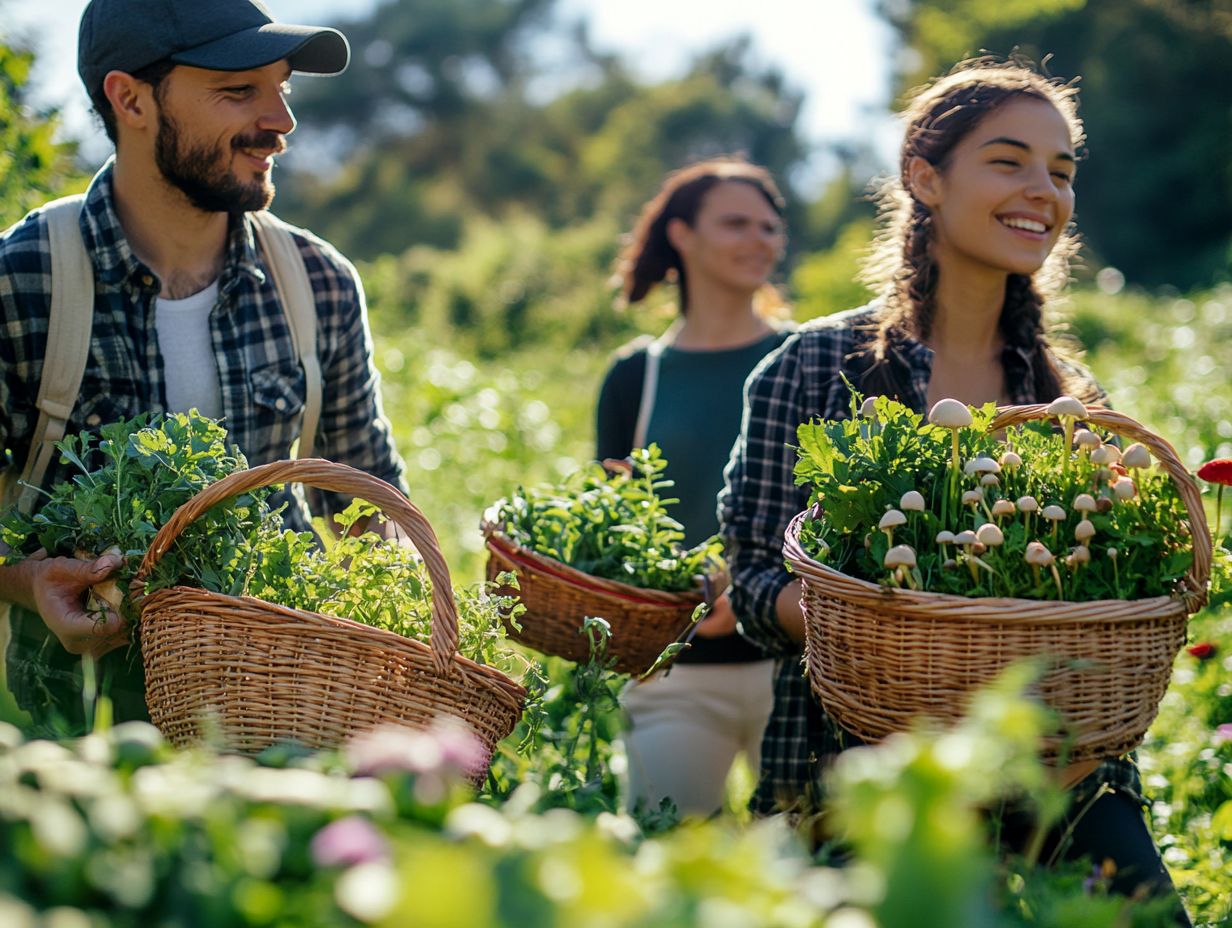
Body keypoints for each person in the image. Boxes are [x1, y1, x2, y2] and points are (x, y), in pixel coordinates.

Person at [718, 58, 1191, 920]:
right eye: (1008, 161)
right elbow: (752, 583)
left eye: (1061, 171)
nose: (1041, 190)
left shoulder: (1070, 400)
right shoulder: (816, 368)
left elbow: (1120, 596)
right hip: (859, 774)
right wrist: (885, 624)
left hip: (1062, 775)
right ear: (924, 178)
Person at [0, 0, 407, 733]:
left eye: (283, 87)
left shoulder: (318, 281)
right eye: (239, 90)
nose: (281, 121)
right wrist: (28, 584)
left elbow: (368, 509)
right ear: (130, 99)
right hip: (76, 742)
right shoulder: (22, 279)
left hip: (284, 735)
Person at [595, 157, 792, 817]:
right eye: (735, 222)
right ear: (682, 234)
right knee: (666, 858)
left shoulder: (808, 361)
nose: (759, 239)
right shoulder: (635, 376)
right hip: (673, 675)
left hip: (799, 669)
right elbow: (619, 526)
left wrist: (751, 585)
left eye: (769, 226)